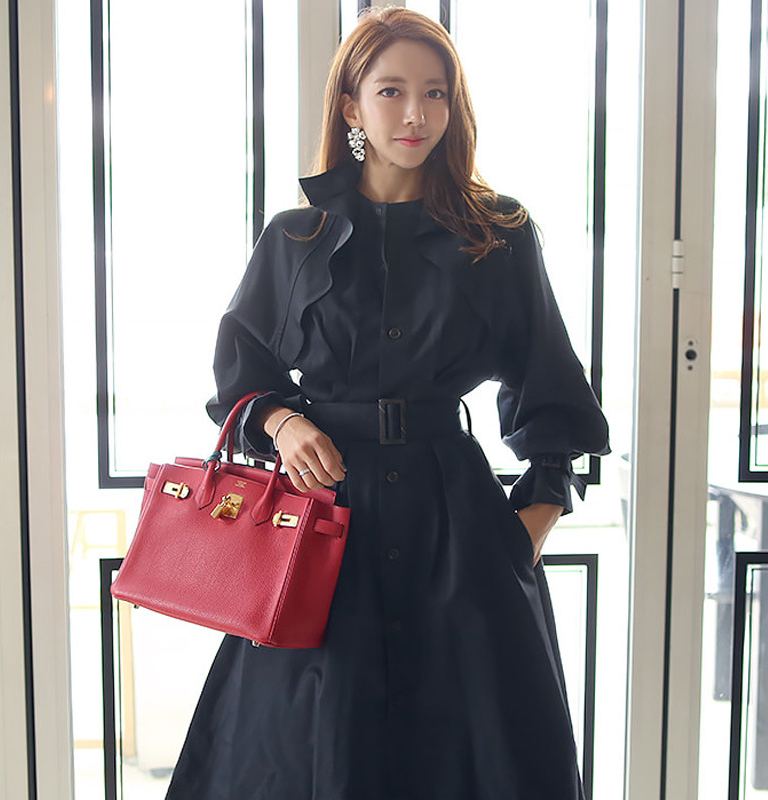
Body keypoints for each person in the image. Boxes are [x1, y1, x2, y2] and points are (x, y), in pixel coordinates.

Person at [165, 7, 609, 800]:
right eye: (392, 91)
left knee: (477, 752)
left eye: (436, 93)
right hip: (321, 524)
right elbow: (241, 371)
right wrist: (284, 421)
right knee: (314, 747)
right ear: (351, 105)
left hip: (458, 529)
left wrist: (533, 520)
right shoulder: (295, 238)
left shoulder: (500, 234)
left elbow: (550, 385)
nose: (416, 114)